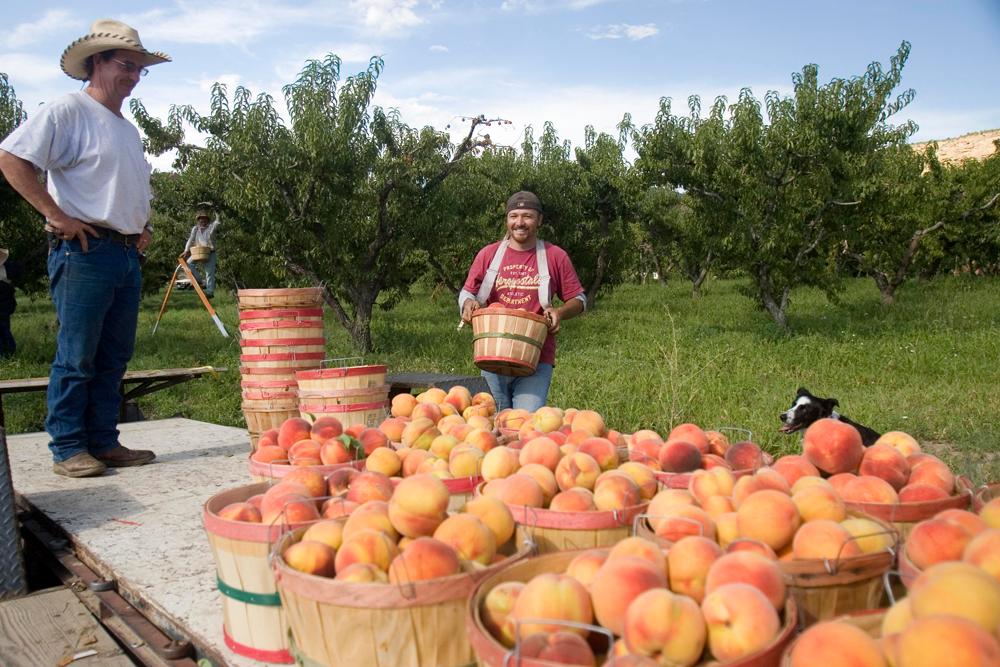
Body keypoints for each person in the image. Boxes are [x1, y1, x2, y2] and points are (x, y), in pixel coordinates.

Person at [0, 18, 170, 477]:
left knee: (114, 355)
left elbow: (119, 186)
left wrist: (140, 225)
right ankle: (68, 446)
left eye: (140, 69)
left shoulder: (126, 129)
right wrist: (54, 214)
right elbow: (11, 158)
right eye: (127, 66)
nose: (134, 76)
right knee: (77, 354)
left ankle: (103, 441)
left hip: (124, 253)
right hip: (84, 251)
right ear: (97, 62)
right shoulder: (68, 111)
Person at [459, 191, 587, 412]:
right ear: (507, 220)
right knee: (491, 423)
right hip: (493, 354)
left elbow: (579, 299)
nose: (520, 222)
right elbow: (467, 292)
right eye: (513, 216)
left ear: (539, 220)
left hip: (536, 358)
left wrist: (560, 312)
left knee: (524, 425)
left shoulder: (554, 256)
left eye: (527, 216)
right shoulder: (488, 255)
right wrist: (468, 304)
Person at [183, 202, 220, 297]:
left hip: (210, 252)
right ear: (198, 220)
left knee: (209, 272)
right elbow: (190, 240)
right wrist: (186, 250)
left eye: (204, 219)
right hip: (198, 252)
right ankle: (199, 280)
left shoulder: (211, 227)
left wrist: (216, 210)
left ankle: (210, 292)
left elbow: (218, 221)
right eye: (201, 219)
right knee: (188, 264)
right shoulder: (195, 229)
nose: (202, 220)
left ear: (207, 220)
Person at [0, 248, 15, 357]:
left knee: (3, 328)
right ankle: (7, 352)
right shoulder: (7, 267)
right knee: (4, 328)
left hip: (3, 304)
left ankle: (7, 352)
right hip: (5, 304)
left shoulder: (6, 269)